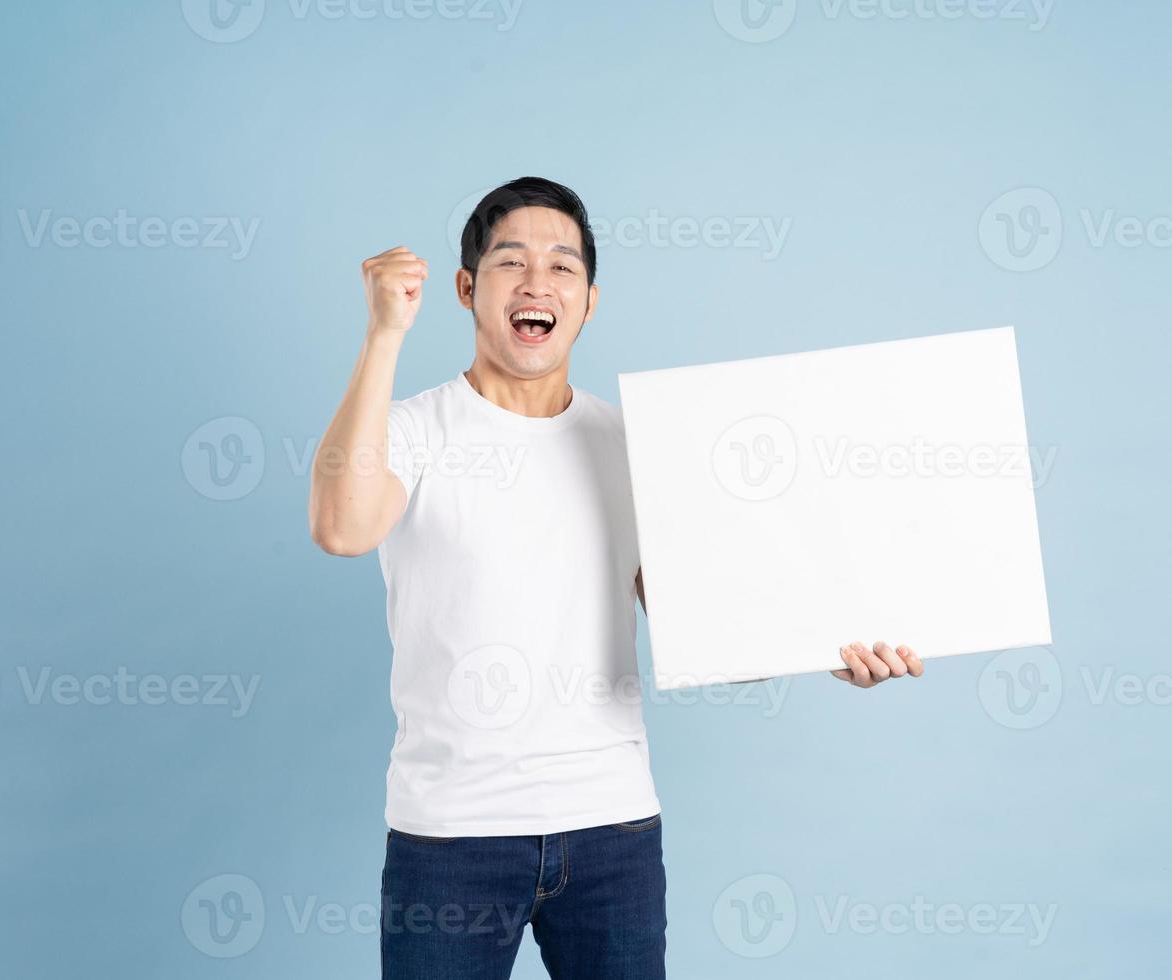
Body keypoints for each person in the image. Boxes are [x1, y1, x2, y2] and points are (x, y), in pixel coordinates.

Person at [308, 176, 925, 979]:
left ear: (589, 301)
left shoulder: (637, 447)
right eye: (510, 263)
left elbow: (706, 630)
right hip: (450, 836)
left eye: (562, 267)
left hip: (614, 834)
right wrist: (383, 333)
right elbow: (341, 528)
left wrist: (827, 647)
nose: (537, 282)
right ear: (466, 288)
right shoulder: (413, 430)